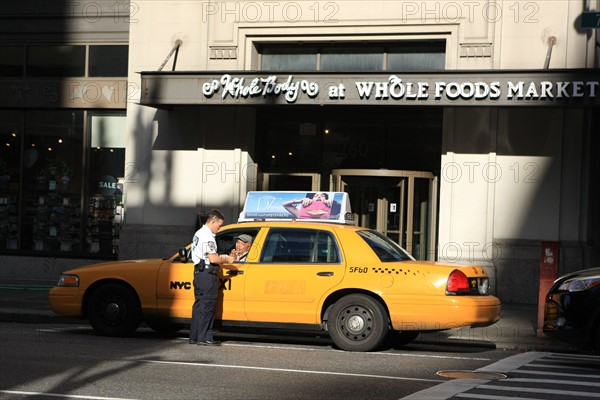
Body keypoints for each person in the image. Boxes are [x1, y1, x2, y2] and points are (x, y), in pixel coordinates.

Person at [189, 209, 238, 346]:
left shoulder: (199, 233)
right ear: (212, 221)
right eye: (219, 225)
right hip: (207, 274)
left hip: (200, 273)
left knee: (199, 305)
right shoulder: (207, 237)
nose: (219, 228)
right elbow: (213, 258)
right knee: (207, 305)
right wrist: (227, 258)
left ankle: (195, 336)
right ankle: (205, 337)